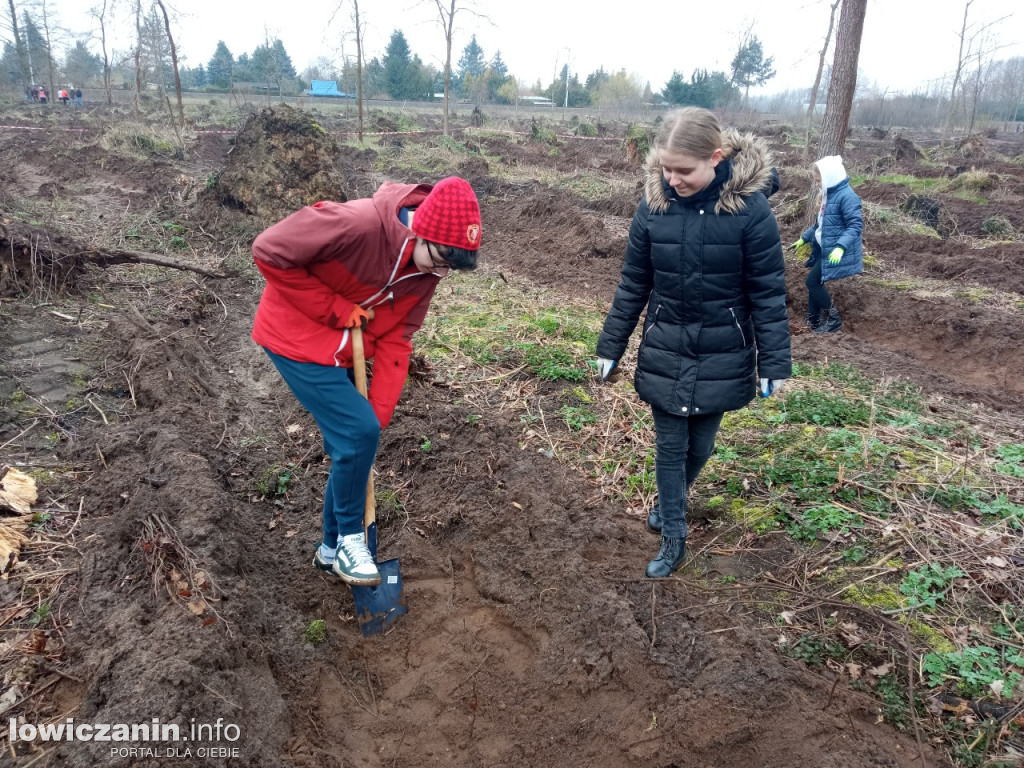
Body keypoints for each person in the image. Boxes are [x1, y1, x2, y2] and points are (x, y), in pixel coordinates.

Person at [251, 177, 482, 586]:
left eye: (451, 267)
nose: (442, 273)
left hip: (341, 349)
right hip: (294, 339)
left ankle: (329, 549)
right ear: (419, 231)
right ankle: (349, 542)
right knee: (356, 434)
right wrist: (333, 307)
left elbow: (399, 338)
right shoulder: (356, 225)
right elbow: (268, 250)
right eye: (441, 260)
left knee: (356, 439)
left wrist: (377, 414)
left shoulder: (428, 273)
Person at [595, 107, 791, 579]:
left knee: (701, 444)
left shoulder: (750, 212)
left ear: (715, 159)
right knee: (669, 445)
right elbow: (633, 284)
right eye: (666, 168)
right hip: (666, 343)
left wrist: (775, 363)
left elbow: (767, 292)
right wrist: (610, 346)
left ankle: (670, 502)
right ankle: (674, 536)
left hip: (724, 349)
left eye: (684, 171)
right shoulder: (653, 207)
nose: (672, 179)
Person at [791, 155, 863, 333]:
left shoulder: (847, 197)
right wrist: (804, 238)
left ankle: (834, 319)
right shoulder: (827, 195)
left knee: (812, 282)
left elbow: (855, 226)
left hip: (836, 250)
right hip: (825, 249)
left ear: (829, 178)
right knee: (815, 282)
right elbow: (820, 225)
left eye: (818, 181)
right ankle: (813, 320)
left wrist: (840, 247)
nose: (816, 184)